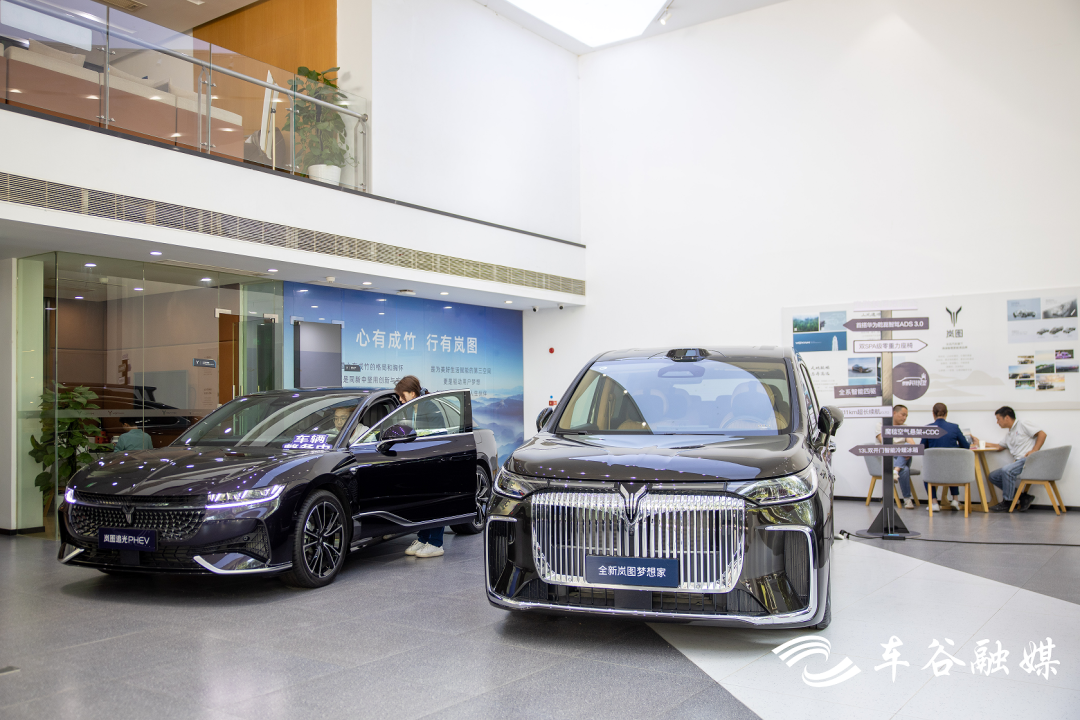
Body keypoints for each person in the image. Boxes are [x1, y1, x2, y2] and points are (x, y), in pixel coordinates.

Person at [395, 375, 444, 558]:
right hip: (419, 459)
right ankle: (423, 538)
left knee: (434, 502)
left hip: (433, 460)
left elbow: (437, 435)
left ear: (413, 393)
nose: (400, 399)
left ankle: (436, 543)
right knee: (423, 502)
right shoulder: (411, 408)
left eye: (402, 395)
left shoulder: (429, 407)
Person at [974, 406, 1046, 512]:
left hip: (1027, 461)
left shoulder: (1022, 424)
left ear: (1007, 417)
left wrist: (1034, 450)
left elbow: (1042, 434)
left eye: (998, 419)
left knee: (1007, 470)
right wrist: (979, 442)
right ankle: (1023, 497)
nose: (997, 422)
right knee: (993, 476)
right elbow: (999, 446)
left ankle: (1007, 502)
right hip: (1017, 462)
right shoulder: (1009, 434)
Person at [921, 403, 968, 511]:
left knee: (926, 474)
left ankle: (934, 503)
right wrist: (954, 448)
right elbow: (966, 446)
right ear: (946, 414)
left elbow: (922, 448)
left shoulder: (927, 429)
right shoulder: (954, 427)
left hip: (934, 470)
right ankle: (955, 500)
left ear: (933, 414)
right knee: (952, 465)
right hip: (952, 470)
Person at [875, 405, 918, 509]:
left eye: (906, 416)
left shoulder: (905, 428)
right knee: (905, 469)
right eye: (903, 415)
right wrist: (902, 450)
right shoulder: (881, 425)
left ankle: (895, 471)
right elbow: (885, 444)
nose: (904, 418)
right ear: (894, 413)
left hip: (901, 457)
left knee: (907, 446)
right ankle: (907, 499)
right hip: (887, 458)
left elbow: (912, 445)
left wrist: (905, 450)